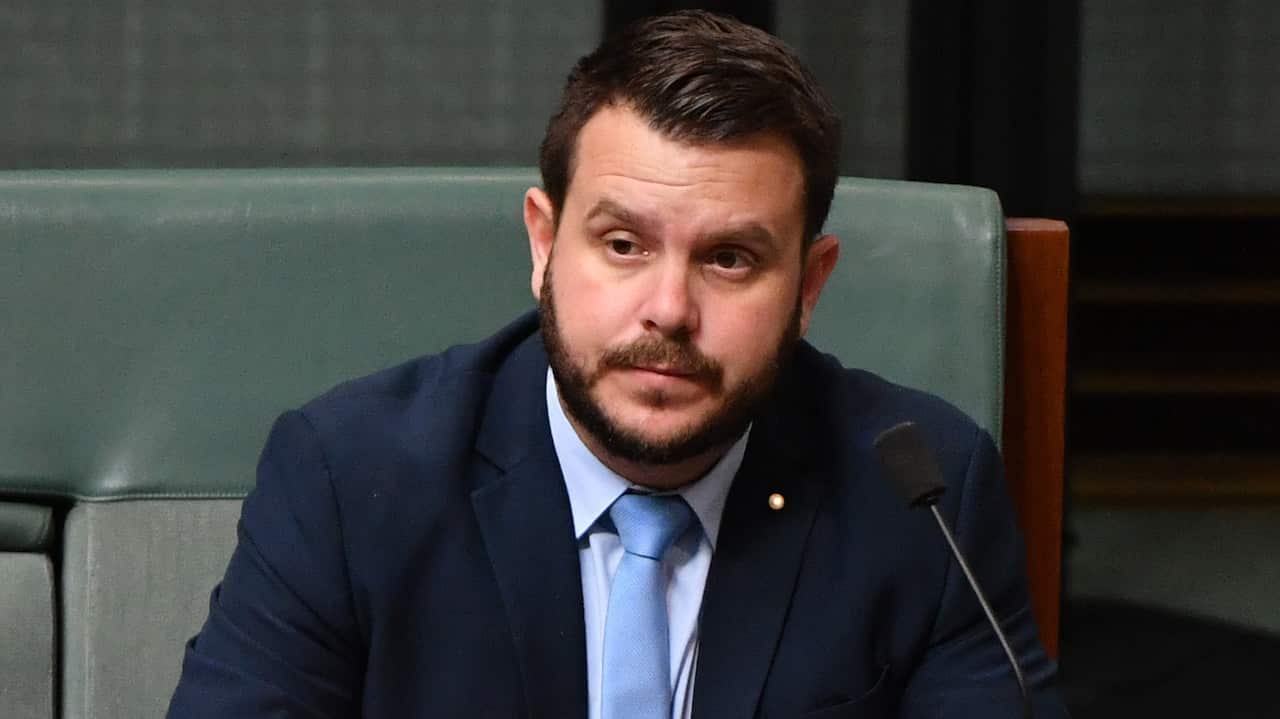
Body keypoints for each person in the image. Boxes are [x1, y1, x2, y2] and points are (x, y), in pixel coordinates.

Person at [167, 10, 1068, 718]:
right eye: (625, 243)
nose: (669, 311)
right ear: (545, 243)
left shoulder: (922, 493)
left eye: (730, 259)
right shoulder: (349, 477)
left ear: (809, 284)